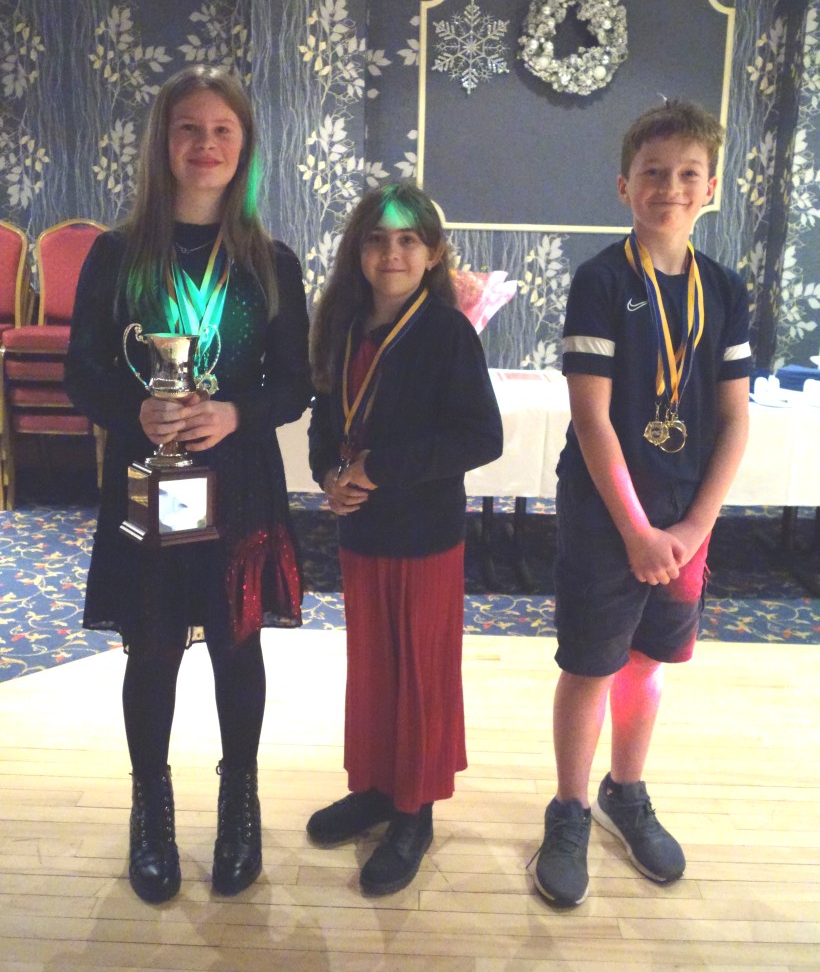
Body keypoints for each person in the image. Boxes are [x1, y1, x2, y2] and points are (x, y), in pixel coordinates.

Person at [65, 65, 311, 904]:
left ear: (244, 148)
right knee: (154, 644)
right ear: (163, 143)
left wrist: (236, 412)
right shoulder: (115, 255)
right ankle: (152, 807)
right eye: (189, 129)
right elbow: (81, 374)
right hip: (147, 477)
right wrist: (134, 409)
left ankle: (239, 800)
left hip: (238, 480)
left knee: (238, 643)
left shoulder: (270, 262)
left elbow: (295, 384)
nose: (205, 145)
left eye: (221, 131)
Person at [531, 100, 752, 907]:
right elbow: (592, 418)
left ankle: (626, 789)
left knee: (650, 663)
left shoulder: (724, 290)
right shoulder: (601, 281)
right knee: (590, 665)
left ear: (712, 188)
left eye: (688, 173)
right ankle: (570, 806)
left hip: (685, 521)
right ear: (625, 185)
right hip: (606, 517)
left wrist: (694, 525)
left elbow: (735, 418)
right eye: (653, 172)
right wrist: (635, 529)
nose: (670, 187)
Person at [306, 182, 503, 895]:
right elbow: (325, 423)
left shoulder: (447, 333)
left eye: (408, 240)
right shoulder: (341, 325)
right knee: (373, 668)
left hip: (424, 535)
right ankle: (375, 788)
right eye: (377, 239)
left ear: (433, 254)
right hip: (362, 529)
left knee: (418, 673)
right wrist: (330, 475)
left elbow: (481, 437)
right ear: (358, 251)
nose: (392, 252)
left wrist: (378, 468)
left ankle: (413, 810)